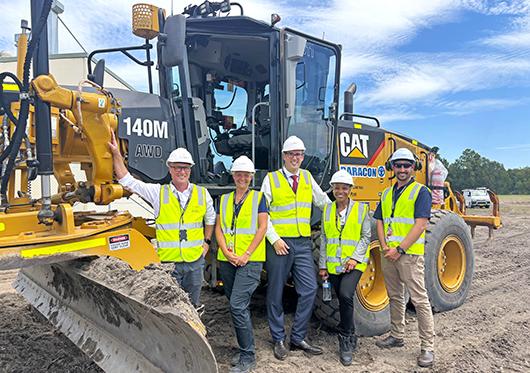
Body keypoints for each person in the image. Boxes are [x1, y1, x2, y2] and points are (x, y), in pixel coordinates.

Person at [108, 132, 215, 308]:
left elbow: (210, 219)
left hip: (194, 262)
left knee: (193, 306)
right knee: (170, 308)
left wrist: (206, 242)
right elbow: (127, 181)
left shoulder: (202, 194)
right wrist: (116, 154)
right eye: (177, 167)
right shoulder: (158, 193)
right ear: (170, 169)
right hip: (169, 264)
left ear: (190, 170)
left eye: (185, 167)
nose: (182, 171)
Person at [260, 135, 331, 360]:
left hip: (302, 243)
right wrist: (274, 239)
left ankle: (298, 336)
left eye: (299, 154)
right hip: (280, 243)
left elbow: (323, 203)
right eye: (291, 154)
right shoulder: (271, 180)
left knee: (309, 289)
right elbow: (262, 213)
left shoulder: (308, 178)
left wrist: (344, 214)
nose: (295, 158)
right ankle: (278, 338)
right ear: (284, 156)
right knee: (275, 291)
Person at [373, 148, 435, 368]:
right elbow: (379, 220)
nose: (401, 169)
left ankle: (427, 347)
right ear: (392, 167)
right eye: (398, 165)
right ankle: (397, 336)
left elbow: (421, 224)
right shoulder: (388, 192)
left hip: (408, 255)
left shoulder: (421, 192)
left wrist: (399, 249)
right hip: (388, 253)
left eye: (406, 165)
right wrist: (383, 246)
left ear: (413, 168)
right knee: (395, 296)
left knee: (419, 299)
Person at [215, 156, 268, 373]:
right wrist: (227, 252)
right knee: (236, 304)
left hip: (250, 260)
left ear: (251, 177)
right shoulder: (225, 199)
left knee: (237, 304)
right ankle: (244, 349)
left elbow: (262, 227)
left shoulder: (259, 198)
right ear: (233, 175)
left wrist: (245, 254)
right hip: (227, 260)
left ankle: (248, 355)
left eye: (246, 175)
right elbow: (219, 227)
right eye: (238, 174)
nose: (242, 178)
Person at [318, 170, 371, 366]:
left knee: (346, 294)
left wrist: (355, 259)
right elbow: (324, 238)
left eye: (344, 188)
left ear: (350, 190)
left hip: (354, 264)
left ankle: (346, 339)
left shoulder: (361, 210)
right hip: (333, 265)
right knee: (341, 298)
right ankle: (351, 331)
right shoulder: (327, 210)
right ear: (332, 189)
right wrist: (323, 265)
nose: (340, 191)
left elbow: (366, 237)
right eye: (336, 187)